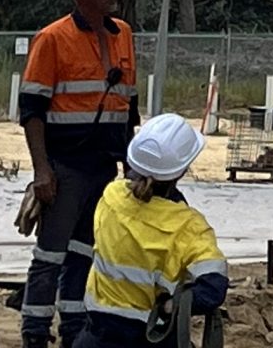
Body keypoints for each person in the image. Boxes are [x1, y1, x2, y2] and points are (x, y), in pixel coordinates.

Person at [19, 0, 138, 348]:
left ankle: (73, 329)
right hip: (66, 167)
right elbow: (32, 110)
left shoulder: (123, 34)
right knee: (50, 255)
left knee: (84, 252)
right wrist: (42, 171)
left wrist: (131, 165)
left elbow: (128, 106)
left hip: (104, 168)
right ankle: (35, 333)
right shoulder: (52, 38)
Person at [74, 114, 227, 348]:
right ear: (182, 170)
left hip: (97, 335)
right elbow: (213, 288)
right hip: (151, 335)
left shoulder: (111, 198)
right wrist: (170, 306)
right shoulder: (188, 226)